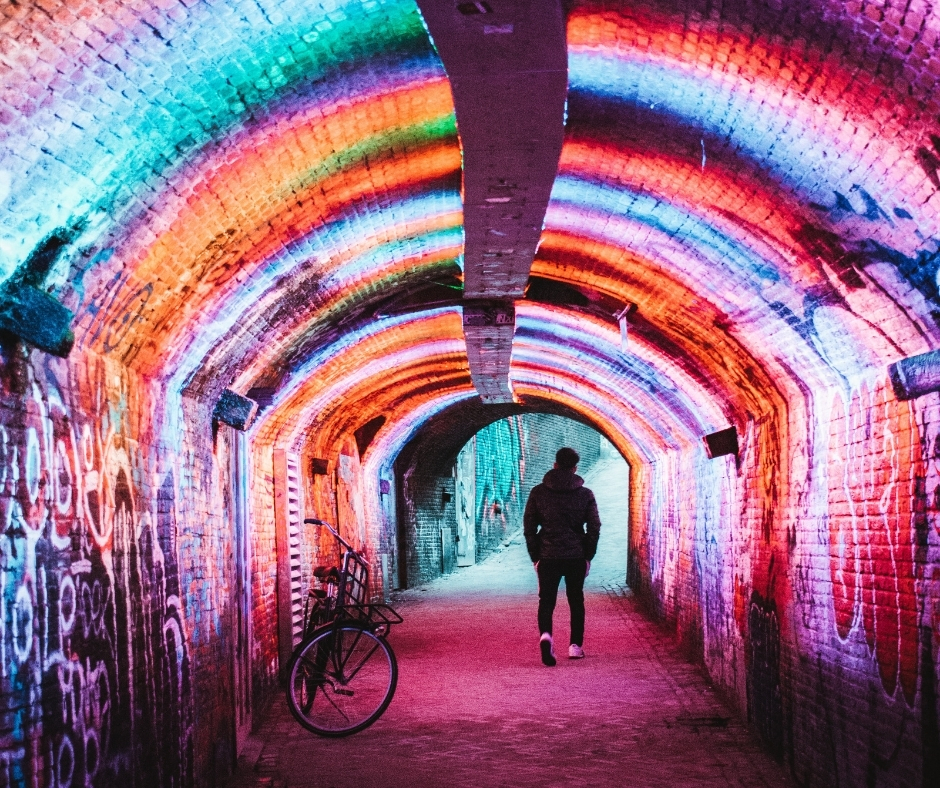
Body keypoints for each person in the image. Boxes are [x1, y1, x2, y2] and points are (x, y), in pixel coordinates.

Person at [523, 447, 602, 666]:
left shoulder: (538, 492)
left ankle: (546, 636)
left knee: (546, 600)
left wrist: (535, 555)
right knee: (576, 600)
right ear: (575, 468)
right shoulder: (585, 494)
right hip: (575, 556)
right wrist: (588, 555)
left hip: (548, 556)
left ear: (555, 465)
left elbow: (529, 524)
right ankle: (575, 646)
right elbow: (594, 526)